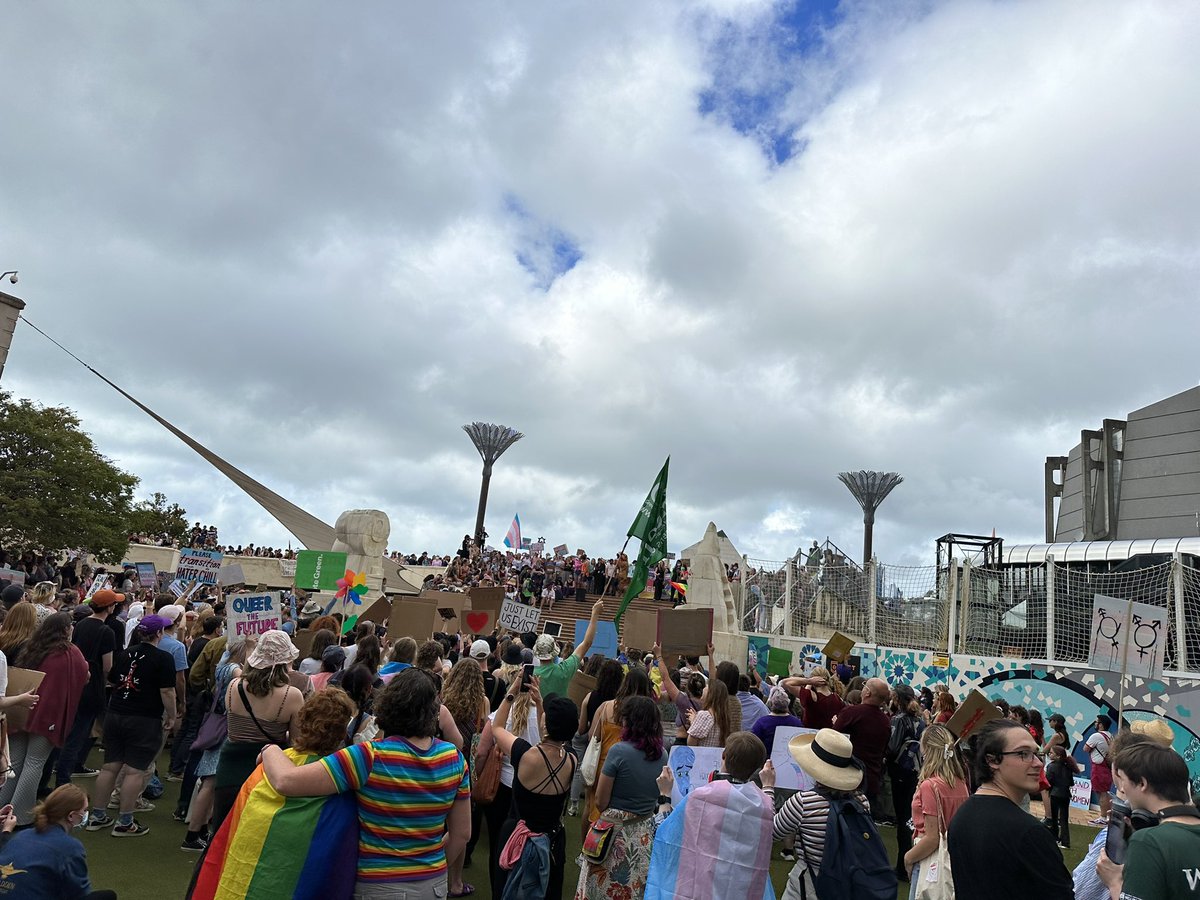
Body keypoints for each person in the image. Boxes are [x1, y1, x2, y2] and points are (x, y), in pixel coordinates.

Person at [261, 668, 471, 898]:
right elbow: (461, 834)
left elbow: (285, 781)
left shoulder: (368, 757)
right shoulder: (454, 759)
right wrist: (430, 866)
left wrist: (270, 749)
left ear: (389, 704)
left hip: (377, 886)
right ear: (433, 711)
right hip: (433, 885)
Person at [192, 688, 361, 900]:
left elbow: (235, 826)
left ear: (304, 719)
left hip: (247, 877)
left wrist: (269, 750)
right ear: (341, 731)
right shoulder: (339, 777)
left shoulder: (268, 766)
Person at [948, 719, 1073, 899]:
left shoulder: (961, 816)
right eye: (1023, 754)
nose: (1038, 763)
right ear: (992, 760)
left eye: (1036, 753)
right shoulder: (1029, 832)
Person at [648, 732, 775, 900]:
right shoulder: (764, 805)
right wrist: (768, 786)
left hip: (700, 889)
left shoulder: (701, 797)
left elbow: (665, 835)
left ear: (723, 756)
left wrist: (665, 795)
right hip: (741, 891)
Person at [85, 614, 178, 837]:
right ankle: (125, 821)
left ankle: (97, 815)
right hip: (144, 718)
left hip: (116, 712)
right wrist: (173, 716)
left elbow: (114, 679)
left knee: (110, 766)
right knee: (135, 771)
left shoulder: (125, 653)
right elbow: (167, 691)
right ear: (158, 633)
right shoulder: (163, 658)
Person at [490, 680, 578, 899]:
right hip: (552, 841)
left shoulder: (525, 754)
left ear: (547, 723)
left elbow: (497, 727)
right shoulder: (571, 758)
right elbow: (549, 739)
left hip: (518, 836)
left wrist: (511, 693)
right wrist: (540, 704)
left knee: (508, 888)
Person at [0, 612, 89, 826]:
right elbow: (85, 674)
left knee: (15, 763)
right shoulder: (70, 652)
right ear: (66, 629)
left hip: (21, 709)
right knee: (34, 763)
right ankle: (20, 815)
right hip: (47, 714)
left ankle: (3, 808)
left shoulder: (32, 647)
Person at [763, 727, 874, 897]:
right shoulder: (862, 800)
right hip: (849, 880)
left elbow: (768, 832)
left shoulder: (803, 802)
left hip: (810, 883)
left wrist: (768, 788)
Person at [211, 630, 304, 831]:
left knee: (221, 832)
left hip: (229, 763)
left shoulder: (234, 686)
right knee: (252, 833)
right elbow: (297, 744)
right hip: (266, 769)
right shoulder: (292, 695)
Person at [577, 695, 664, 899]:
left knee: (600, 889)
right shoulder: (662, 754)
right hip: (643, 833)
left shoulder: (619, 751)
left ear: (629, 721)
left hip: (613, 834)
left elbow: (600, 800)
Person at [1096, 740, 1200, 900]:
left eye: (1123, 780)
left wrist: (1114, 882)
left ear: (1142, 783)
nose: (1122, 789)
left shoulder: (1148, 842)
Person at [477, 658, 544, 895]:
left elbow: (481, 750)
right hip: (531, 790)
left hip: (503, 787)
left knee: (498, 843)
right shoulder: (543, 718)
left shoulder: (501, 714)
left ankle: (499, 891)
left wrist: (479, 773)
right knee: (527, 844)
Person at [0, 784, 116, 899]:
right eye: (84, 810)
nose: (85, 814)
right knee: (108, 896)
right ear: (71, 816)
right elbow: (79, 893)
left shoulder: (21, 835)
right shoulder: (70, 847)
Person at [55, 589, 119, 787]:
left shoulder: (81, 625)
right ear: (108, 607)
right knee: (78, 734)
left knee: (66, 731)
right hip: (92, 684)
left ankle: (56, 770)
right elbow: (108, 666)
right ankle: (63, 779)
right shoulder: (106, 631)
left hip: (74, 680)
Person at [902, 723, 970, 893]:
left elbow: (932, 838)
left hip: (929, 859)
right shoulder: (960, 783)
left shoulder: (929, 785)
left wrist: (908, 858)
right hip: (951, 858)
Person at [440, 658, 488, 897]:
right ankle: (455, 881)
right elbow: (480, 740)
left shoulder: (442, 700)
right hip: (465, 770)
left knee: (440, 825)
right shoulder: (482, 703)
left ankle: (437, 869)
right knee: (460, 829)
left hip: (440, 766)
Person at [832, 676, 891, 821]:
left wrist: (835, 723)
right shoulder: (885, 721)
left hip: (848, 776)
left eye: (865, 686)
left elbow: (833, 738)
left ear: (867, 693)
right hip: (872, 778)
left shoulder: (851, 713)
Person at [886, 683, 924, 881]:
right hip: (914, 771)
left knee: (903, 818)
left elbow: (892, 747)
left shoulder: (898, 720)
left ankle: (902, 866)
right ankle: (908, 862)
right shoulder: (920, 720)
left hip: (900, 770)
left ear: (897, 700)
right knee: (909, 817)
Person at [532, 599, 605, 700]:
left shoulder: (530, 675)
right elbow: (587, 643)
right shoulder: (564, 671)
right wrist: (595, 615)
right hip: (559, 714)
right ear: (554, 651)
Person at [750, 686, 804, 759]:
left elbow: (753, 745)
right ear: (787, 703)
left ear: (771, 703)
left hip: (766, 762)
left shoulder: (761, 722)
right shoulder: (796, 723)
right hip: (790, 762)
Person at [1045, 743, 1080, 849]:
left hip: (1055, 794)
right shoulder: (1068, 767)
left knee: (1054, 818)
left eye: (1051, 753)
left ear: (1058, 756)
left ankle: (1055, 838)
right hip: (1065, 795)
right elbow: (1071, 782)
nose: (1049, 755)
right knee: (1064, 819)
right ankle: (1065, 841)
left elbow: (1048, 781)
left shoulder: (1051, 766)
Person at [686, 678, 734, 748]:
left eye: (706, 686)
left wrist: (693, 722)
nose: (704, 688)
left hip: (702, 756)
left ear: (711, 693)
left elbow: (691, 742)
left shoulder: (704, 715)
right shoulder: (723, 717)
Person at [1084, 714, 1114, 825]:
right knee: (1103, 792)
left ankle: (1103, 817)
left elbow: (1085, 748)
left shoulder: (1096, 736)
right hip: (1106, 767)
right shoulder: (1110, 736)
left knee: (1101, 793)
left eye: (1097, 722)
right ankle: (1107, 817)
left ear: (1101, 724)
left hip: (1098, 767)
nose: (1095, 724)